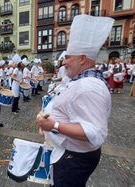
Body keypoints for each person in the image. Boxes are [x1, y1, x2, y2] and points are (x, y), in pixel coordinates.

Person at [36, 14, 114, 186]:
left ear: (83, 58)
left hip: (73, 159)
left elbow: (94, 132)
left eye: (68, 57)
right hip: (70, 154)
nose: (64, 62)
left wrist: (54, 126)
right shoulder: (83, 81)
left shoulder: (89, 87)